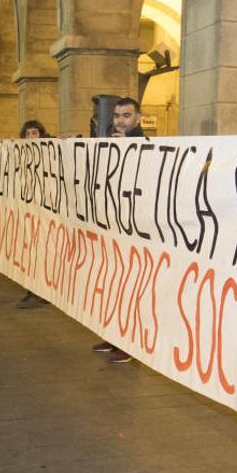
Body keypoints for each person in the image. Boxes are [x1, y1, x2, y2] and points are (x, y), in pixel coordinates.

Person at [92, 97, 144, 363]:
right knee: (112, 286)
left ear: (138, 119)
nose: (120, 120)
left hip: (133, 232)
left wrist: (131, 150)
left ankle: (129, 346)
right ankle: (113, 337)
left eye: (126, 115)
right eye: (116, 116)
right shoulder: (110, 143)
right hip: (113, 227)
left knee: (129, 290)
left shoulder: (147, 147)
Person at [16, 120, 51, 309]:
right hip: (27, 213)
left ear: (42, 135)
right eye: (28, 134)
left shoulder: (49, 152)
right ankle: (33, 290)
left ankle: (41, 292)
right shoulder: (20, 155)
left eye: (35, 133)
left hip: (45, 214)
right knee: (29, 253)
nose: (31, 137)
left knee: (42, 254)